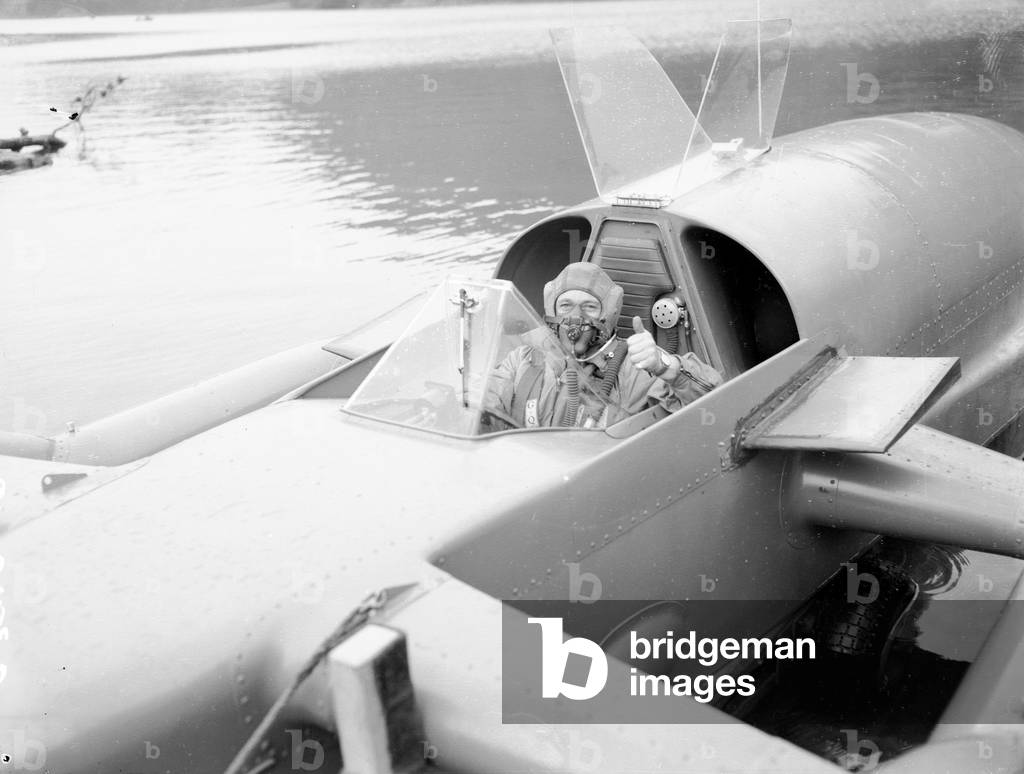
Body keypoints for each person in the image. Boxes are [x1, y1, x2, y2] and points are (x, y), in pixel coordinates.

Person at [485, 262, 722, 429]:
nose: (575, 317)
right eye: (565, 305)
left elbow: (715, 401)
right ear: (552, 312)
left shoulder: (635, 367)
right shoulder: (524, 359)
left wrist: (665, 366)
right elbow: (485, 406)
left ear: (607, 315)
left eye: (589, 307)